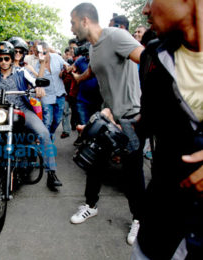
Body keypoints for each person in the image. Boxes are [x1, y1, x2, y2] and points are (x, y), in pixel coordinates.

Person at [131, 0, 203, 259]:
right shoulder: (153, 55)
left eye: (151, 0)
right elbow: (148, 119)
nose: (145, 10)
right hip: (159, 228)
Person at [69, 2, 145, 246]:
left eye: (72, 22)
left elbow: (149, 62)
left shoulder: (116, 36)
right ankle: (90, 206)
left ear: (84, 20)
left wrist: (147, 109)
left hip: (132, 117)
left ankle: (139, 219)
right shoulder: (92, 47)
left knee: (132, 172)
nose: (71, 28)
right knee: (95, 163)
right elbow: (94, 70)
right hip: (108, 116)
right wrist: (78, 77)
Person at [0, 41, 62, 191]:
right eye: (0, 59)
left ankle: (51, 172)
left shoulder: (22, 72)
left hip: (21, 110)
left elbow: (34, 82)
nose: (3, 62)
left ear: (12, 58)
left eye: (6, 58)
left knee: (44, 134)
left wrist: (38, 87)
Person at [36, 41, 68, 139]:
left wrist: (65, 70)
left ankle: (50, 135)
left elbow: (66, 66)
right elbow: (39, 81)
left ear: (49, 51)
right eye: (40, 53)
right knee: (47, 121)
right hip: (46, 96)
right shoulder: (37, 65)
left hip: (59, 94)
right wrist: (42, 64)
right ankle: (46, 143)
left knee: (57, 120)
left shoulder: (57, 58)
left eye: (44, 52)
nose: (42, 55)